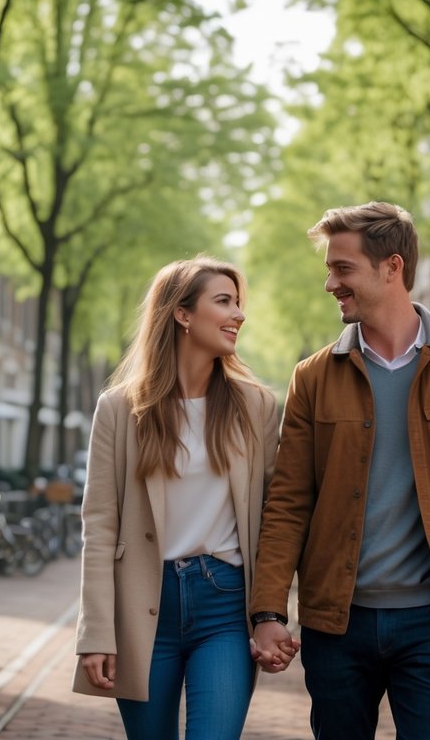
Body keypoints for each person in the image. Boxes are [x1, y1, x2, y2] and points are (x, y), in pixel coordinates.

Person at [250, 202, 430, 739]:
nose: (330, 283)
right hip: (336, 623)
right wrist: (268, 610)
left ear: (391, 267)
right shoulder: (312, 377)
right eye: (330, 269)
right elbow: (287, 501)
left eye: (342, 268)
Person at [73, 256, 284, 740]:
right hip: (143, 604)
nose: (239, 314)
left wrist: (272, 612)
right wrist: (97, 632)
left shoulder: (256, 406)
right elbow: (100, 523)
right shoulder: (121, 409)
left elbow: (276, 516)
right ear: (182, 314)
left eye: (239, 303)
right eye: (224, 301)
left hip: (225, 606)